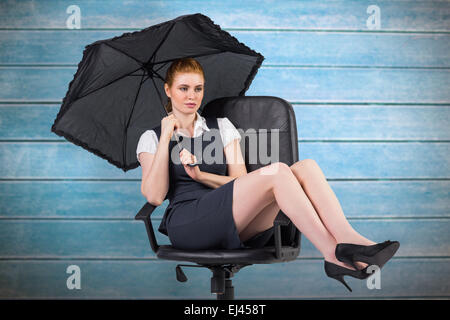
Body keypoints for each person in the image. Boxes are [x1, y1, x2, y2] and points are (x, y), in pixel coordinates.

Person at [136, 58, 400, 292]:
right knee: (278, 172)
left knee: (305, 167)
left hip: (232, 217)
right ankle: (332, 254)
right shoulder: (152, 137)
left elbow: (238, 182)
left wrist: (202, 176)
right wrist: (166, 137)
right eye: (183, 88)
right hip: (188, 223)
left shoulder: (221, 127)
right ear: (168, 90)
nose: (191, 96)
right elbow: (155, 196)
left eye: (198, 88)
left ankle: (349, 239)